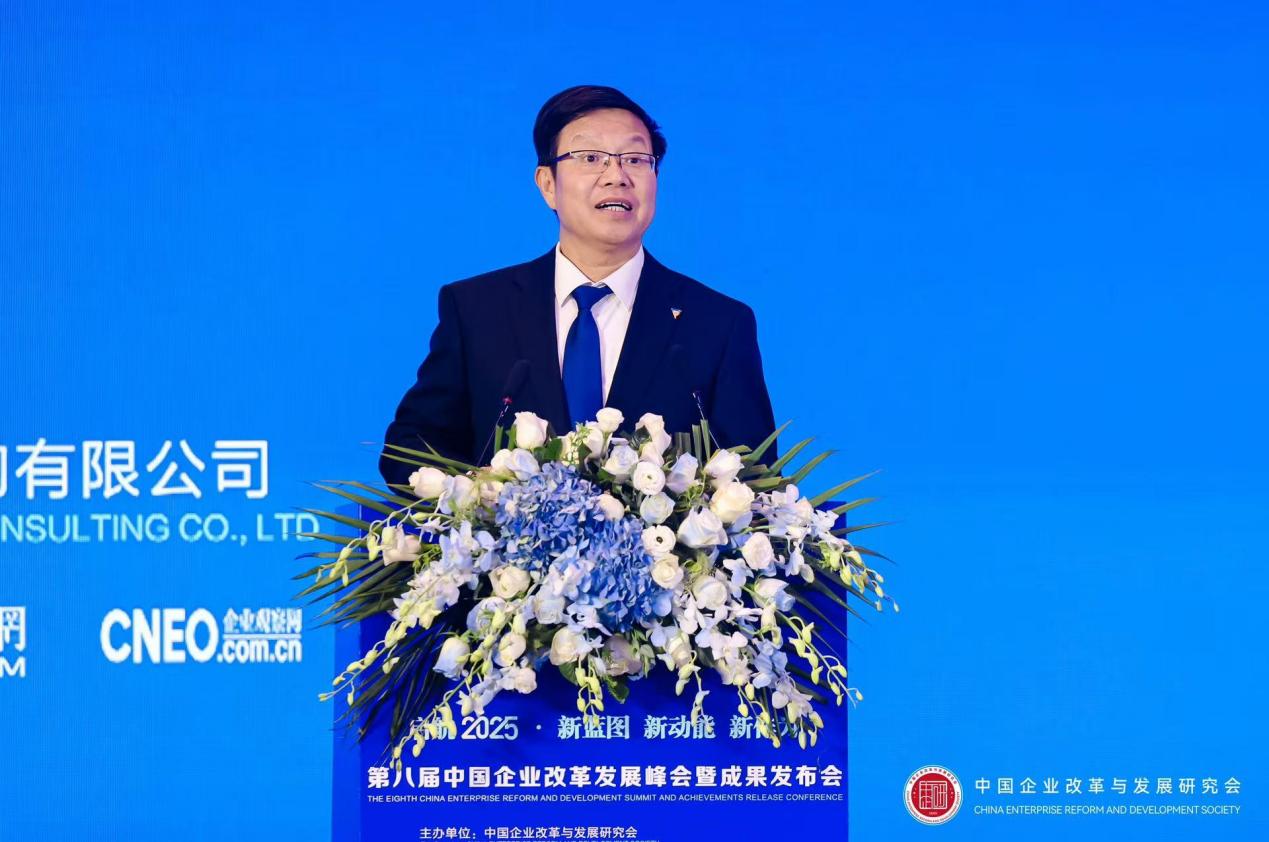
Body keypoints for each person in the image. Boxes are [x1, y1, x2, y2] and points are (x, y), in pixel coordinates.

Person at [379, 85, 777, 491]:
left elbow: (755, 479)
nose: (616, 176)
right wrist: (482, 502)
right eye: (590, 158)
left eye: (636, 159)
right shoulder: (478, 310)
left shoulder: (717, 324)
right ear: (547, 184)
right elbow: (410, 449)